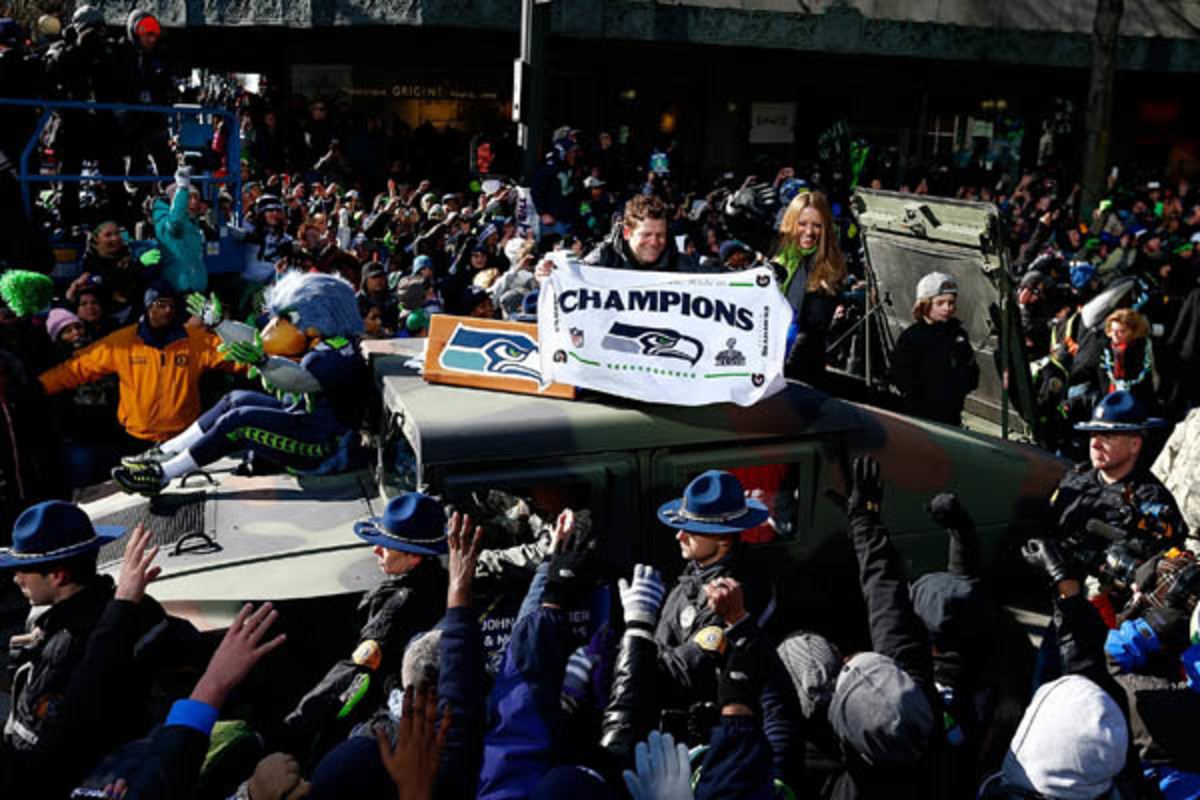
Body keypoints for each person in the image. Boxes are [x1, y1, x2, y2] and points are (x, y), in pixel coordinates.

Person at [0, 503, 200, 795]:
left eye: (23, 570)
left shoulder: (67, 643)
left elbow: (43, 743)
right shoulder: (142, 608)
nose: (16, 578)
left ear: (57, 575)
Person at [111, 272, 368, 494]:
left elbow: (300, 381)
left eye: (284, 320)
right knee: (235, 399)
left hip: (323, 446)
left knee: (240, 421)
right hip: (302, 418)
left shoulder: (336, 354)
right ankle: (164, 452)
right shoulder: (318, 341)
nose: (274, 327)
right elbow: (257, 340)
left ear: (317, 323)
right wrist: (219, 325)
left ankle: (163, 474)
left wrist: (264, 363)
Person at [281, 492, 449, 762]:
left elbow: (358, 670)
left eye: (386, 546)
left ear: (413, 558)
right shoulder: (442, 582)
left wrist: (299, 722)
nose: (376, 550)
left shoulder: (398, 605)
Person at [39, 280, 240, 449]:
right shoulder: (123, 341)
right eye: (161, 304)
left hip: (185, 436)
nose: (168, 310)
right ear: (148, 306)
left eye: (171, 304)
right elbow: (79, 368)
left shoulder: (196, 341)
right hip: (137, 438)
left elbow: (239, 357)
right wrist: (40, 386)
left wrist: (264, 362)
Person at [1050, 390, 1188, 560]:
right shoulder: (1076, 479)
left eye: (1106, 436)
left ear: (1134, 445)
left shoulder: (1150, 500)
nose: (1095, 444)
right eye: (1093, 434)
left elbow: (1157, 568)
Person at [772, 191, 847, 383]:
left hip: (797, 370)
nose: (809, 231)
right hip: (767, 355)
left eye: (817, 225)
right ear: (791, 222)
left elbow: (812, 332)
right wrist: (733, 207)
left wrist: (787, 369)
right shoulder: (779, 251)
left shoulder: (831, 267)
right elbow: (738, 227)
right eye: (802, 223)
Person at [890, 271, 980, 426]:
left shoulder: (958, 334)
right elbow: (901, 375)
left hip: (951, 416)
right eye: (940, 303)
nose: (947, 308)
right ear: (925, 304)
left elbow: (970, 369)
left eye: (951, 302)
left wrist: (961, 385)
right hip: (920, 418)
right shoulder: (911, 337)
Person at [583, 195, 697, 272]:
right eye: (646, 235)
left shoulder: (685, 269)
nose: (654, 242)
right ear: (627, 233)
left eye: (660, 235)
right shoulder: (597, 265)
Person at [153, 167, 208, 293]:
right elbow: (175, 223)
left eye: (196, 198)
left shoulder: (193, 223)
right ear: (175, 199)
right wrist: (182, 188)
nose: (194, 202)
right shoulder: (165, 222)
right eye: (188, 198)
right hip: (178, 290)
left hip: (195, 289)